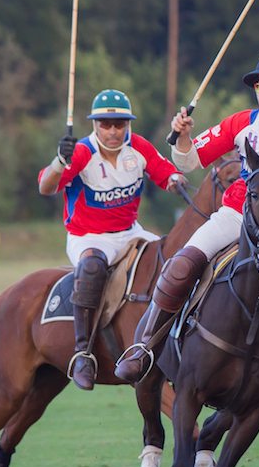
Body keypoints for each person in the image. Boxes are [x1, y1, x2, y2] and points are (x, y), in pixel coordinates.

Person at [113, 53, 259, 420]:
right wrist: (184, 139)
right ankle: (143, 349)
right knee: (179, 266)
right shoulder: (240, 123)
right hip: (236, 214)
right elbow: (190, 161)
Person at [38, 89, 184, 391]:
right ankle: (82, 354)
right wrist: (58, 161)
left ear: (128, 125)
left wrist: (175, 181)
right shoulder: (80, 152)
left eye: (120, 124)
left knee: (175, 262)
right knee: (91, 268)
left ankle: (178, 338)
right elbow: (46, 188)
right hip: (88, 235)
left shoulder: (139, 147)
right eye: (106, 124)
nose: (114, 131)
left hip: (131, 232)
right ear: (95, 125)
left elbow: (165, 175)